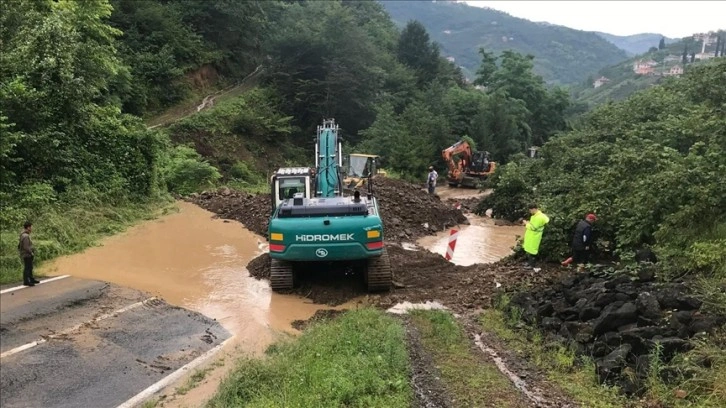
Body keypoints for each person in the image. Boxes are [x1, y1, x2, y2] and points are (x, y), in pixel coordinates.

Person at [522, 203, 549, 272]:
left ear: (534, 209)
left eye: (530, 210)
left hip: (534, 236)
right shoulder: (537, 216)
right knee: (529, 249)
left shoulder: (539, 217)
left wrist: (526, 223)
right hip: (531, 235)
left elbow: (533, 228)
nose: (530, 212)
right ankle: (529, 263)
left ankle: (531, 265)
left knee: (532, 251)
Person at [18, 221, 39, 286]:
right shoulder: (25, 236)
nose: (31, 228)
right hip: (27, 254)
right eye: (31, 227)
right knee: (27, 268)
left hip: (26, 253)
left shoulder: (24, 235)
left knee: (30, 267)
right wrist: (31, 252)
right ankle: (26, 281)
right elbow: (26, 247)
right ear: (28, 227)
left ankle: (31, 279)